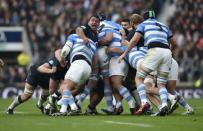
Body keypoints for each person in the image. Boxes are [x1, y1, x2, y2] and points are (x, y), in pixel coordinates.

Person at [119, 10, 177, 116]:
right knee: (161, 84)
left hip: (154, 51)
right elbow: (174, 43)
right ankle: (164, 105)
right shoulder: (164, 25)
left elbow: (134, 40)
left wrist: (124, 54)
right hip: (167, 52)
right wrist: (170, 52)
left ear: (144, 18)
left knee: (139, 78)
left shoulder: (143, 24)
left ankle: (144, 102)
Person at [52, 14, 100, 116]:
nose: (94, 22)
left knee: (66, 87)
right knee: (70, 88)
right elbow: (95, 61)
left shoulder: (73, 36)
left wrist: (62, 60)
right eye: (93, 20)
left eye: (97, 21)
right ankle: (74, 107)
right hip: (88, 69)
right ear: (88, 22)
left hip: (79, 62)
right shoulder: (94, 43)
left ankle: (62, 110)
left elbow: (65, 51)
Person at [6, 50, 68, 114]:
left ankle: (40, 104)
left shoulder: (66, 66)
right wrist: (51, 71)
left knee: (47, 93)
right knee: (27, 95)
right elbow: (40, 68)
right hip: (36, 73)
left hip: (48, 77)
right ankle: (10, 108)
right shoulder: (55, 61)